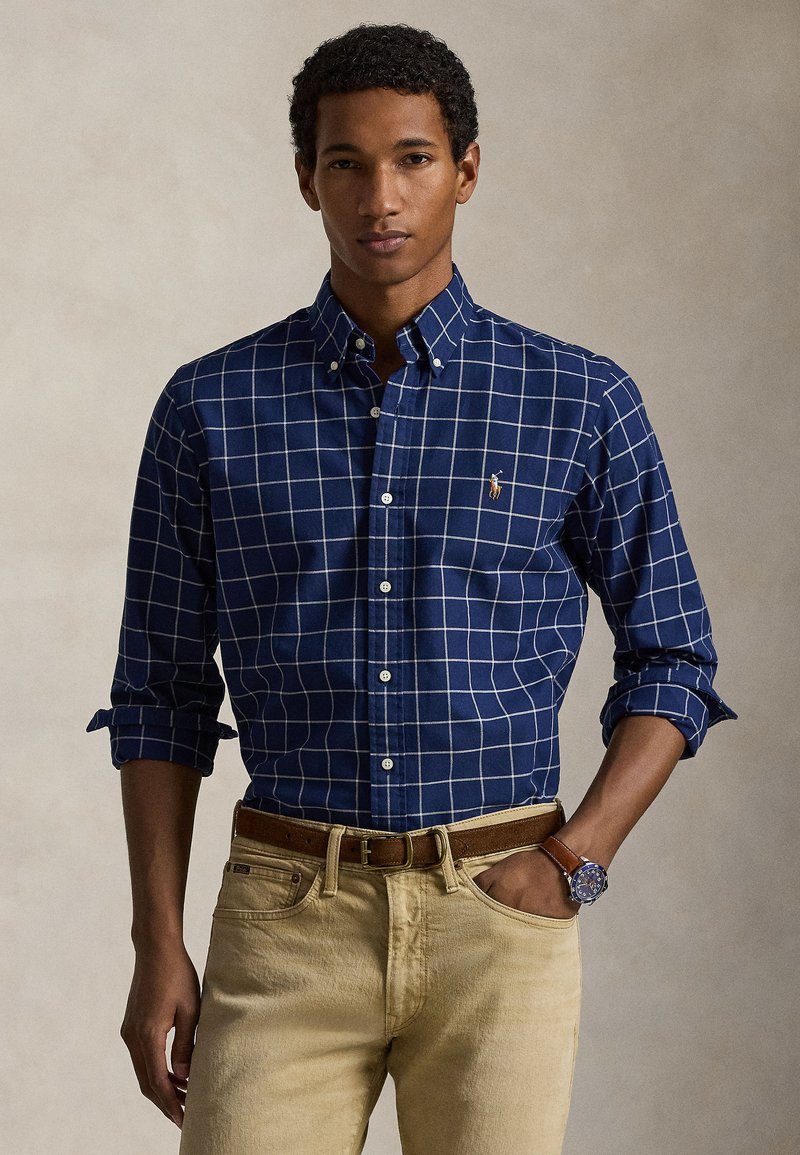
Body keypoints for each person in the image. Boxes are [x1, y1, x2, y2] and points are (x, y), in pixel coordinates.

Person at [86, 21, 737, 1155]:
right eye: (346, 162)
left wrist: (573, 859)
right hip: (285, 914)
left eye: (412, 159)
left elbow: (672, 656)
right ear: (307, 181)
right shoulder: (209, 408)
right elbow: (159, 695)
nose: (379, 195)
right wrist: (158, 946)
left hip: (501, 913)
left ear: (466, 169)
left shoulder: (578, 402)